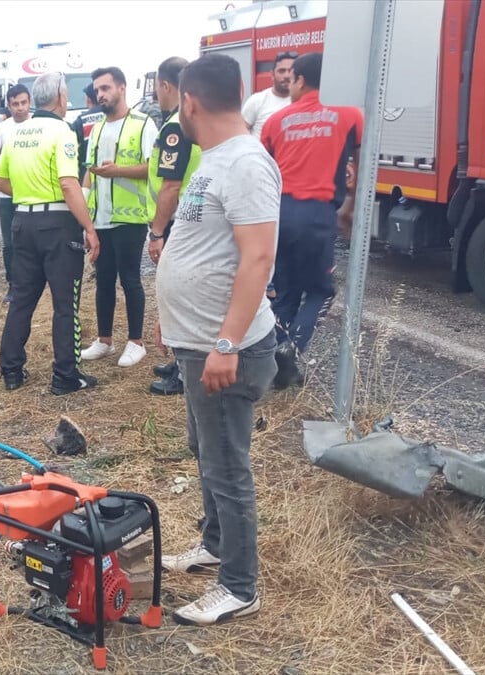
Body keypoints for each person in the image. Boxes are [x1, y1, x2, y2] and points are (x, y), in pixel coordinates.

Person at [155, 53, 280, 626]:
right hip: (197, 343)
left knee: (227, 466)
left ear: (191, 101)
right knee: (207, 454)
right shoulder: (214, 160)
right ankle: (213, 544)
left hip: (226, 351)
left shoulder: (247, 164)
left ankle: (239, 585)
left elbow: (258, 257)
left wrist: (226, 345)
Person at [0, 72, 101, 396]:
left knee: (22, 299)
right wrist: (90, 228)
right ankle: (65, 374)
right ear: (59, 97)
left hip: (22, 222)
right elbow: (70, 184)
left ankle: (11, 370)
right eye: (66, 95)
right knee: (65, 304)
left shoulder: (17, 133)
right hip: (57, 225)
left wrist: (29, 192)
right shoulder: (62, 132)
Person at [260, 52, 363, 389]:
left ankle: (273, 364)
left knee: (286, 293)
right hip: (318, 214)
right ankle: (291, 349)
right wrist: (350, 207)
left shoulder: (276, 122)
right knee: (320, 292)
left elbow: (264, 170)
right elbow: (364, 159)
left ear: (301, 80)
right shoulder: (350, 116)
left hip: (280, 214)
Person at [80, 67, 158, 368]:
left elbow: (152, 167)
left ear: (122, 88)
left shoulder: (143, 124)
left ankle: (136, 342)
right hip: (101, 217)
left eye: (105, 88)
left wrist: (119, 171)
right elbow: (89, 169)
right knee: (103, 280)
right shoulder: (97, 127)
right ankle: (104, 340)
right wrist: (85, 213)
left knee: (130, 279)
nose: (100, 94)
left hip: (131, 217)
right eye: (97, 89)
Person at [147, 57, 202, 397]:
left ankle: (183, 372)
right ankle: (180, 361)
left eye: (156, 88)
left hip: (178, 220)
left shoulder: (174, 127)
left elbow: (170, 185)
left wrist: (156, 232)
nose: (156, 94)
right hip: (188, 217)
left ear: (167, 86)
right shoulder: (191, 121)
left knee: (180, 294)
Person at [0, 83, 32, 304]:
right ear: (9, 106)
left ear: (29, 102)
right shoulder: (3, 129)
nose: (20, 108)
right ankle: (13, 285)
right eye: (15, 104)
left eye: (23, 103)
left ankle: (33, 282)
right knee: (9, 243)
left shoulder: (39, 125)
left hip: (34, 193)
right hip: (8, 195)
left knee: (33, 240)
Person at [242, 52, 295, 138]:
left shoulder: (302, 102)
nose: (286, 75)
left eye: (291, 71)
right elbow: (240, 134)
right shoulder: (256, 101)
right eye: (281, 71)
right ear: (272, 75)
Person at [71, 83, 104, 177]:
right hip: (113, 170)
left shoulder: (82, 120)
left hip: (87, 171)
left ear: (88, 99)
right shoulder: (112, 115)